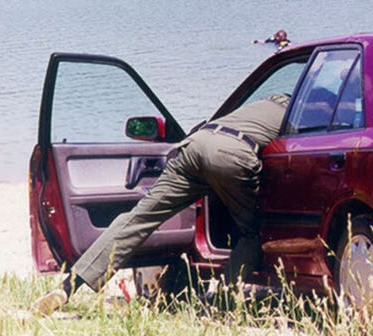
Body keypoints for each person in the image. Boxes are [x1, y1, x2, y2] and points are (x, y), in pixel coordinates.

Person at [31, 93, 291, 316]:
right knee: (251, 233)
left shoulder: (262, 103)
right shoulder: (299, 109)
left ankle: (66, 289)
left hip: (195, 145)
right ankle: (222, 306)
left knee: (137, 219)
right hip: (232, 154)